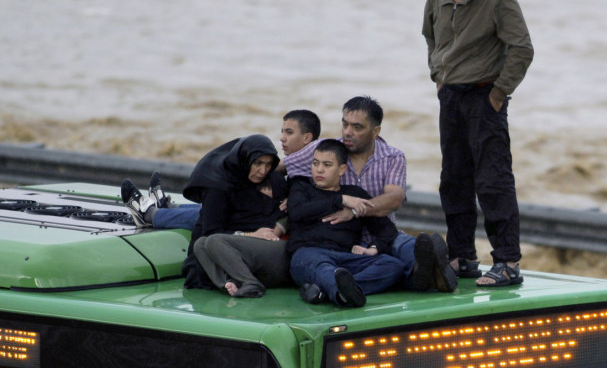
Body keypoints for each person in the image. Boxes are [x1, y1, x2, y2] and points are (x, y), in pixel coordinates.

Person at [422, 0, 534, 287]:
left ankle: (507, 262)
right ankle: (462, 257)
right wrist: (438, 77)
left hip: (485, 98)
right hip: (451, 99)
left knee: (493, 179)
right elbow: (430, 38)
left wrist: (500, 92)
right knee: (453, 179)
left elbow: (522, 48)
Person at [283, 96, 452, 292]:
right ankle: (418, 278)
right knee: (321, 263)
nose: (348, 132)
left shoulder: (393, 157)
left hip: (379, 234)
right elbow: (279, 166)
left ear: (375, 131)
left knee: (406, 246)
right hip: (339, 239)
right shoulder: (326, 150)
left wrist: (355, 211)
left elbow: (394, 199)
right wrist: (275, 193)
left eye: (357, 127)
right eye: (345, 124)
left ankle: (425, 273)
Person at [288, 139, 454, 308]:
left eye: (327, 165)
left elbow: (387, 229)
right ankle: (342, 291)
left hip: (347, 258)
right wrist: (341, 200)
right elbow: (297, 212)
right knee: (324, 269)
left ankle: (345, 290)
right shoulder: (302, 188)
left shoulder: (356, 194)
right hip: (309, 254)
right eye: (315, 163)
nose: (319, 169)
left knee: (392, 265)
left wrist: (374, 248)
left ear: (342, 169)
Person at [120, 109, 321, 229]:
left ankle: (150, 215)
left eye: (289, 133)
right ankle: (167, 208)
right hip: (276, 213)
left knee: (221, 214)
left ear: (307, 138)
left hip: (281, 223)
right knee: (225, 204)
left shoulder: (315, 160)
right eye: (282, 132)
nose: (282, 138)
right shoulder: (303, 160)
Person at [179, 134, 290, 297]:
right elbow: (211, 231)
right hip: (229, 245)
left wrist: (277, 228)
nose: (263, 171)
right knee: (201, 245)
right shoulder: (219, 187)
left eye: (268, 164)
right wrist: (251, 234)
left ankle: (248, 282)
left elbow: (294, 212)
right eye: (258, 163)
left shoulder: (274, 180)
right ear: (244, 160)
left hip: (268, 249)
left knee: (213, 242)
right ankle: (228, 283)